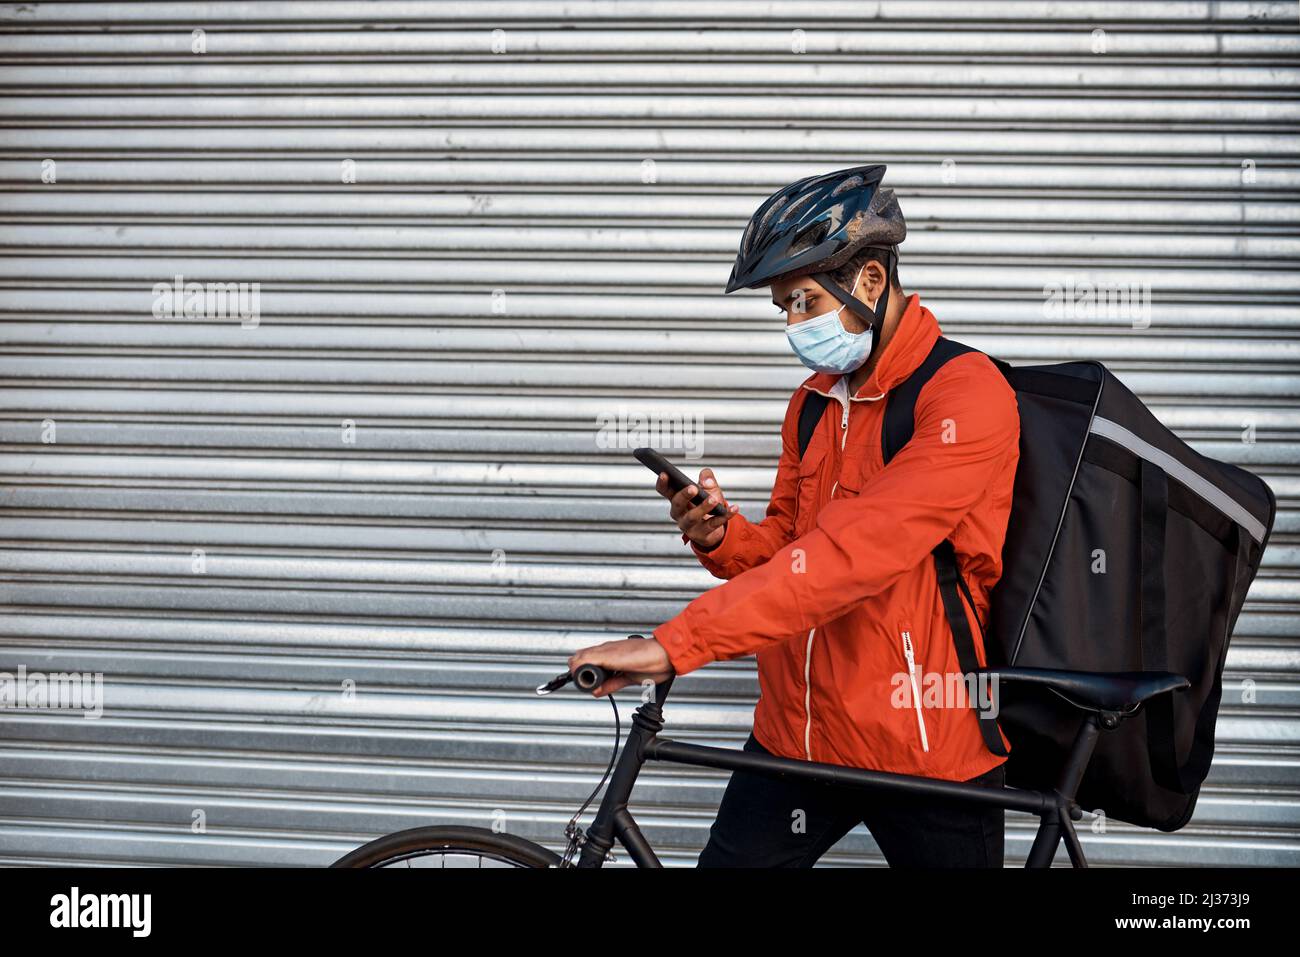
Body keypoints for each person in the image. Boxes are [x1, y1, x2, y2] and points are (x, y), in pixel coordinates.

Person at [568, 164, 1020, 867]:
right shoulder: (812, 402)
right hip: (796, 738)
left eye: (804, 301)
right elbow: (791, 549)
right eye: (783, 307)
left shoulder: (966, 395)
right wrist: (723, 537)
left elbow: (854, 553)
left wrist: (677, 643)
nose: (792, 324)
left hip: (926, 749)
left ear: (868, 281)